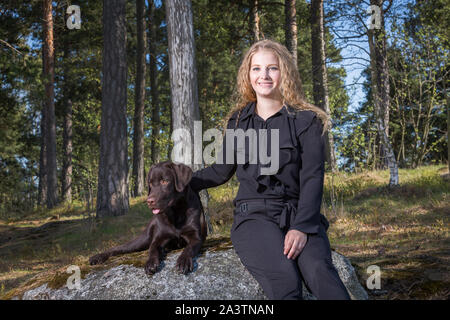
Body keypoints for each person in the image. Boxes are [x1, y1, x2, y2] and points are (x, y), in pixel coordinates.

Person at [189, 39, 350, 300]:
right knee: (285, 280)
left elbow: (312, 177)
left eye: (271, 68)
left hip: (299, 214)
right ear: (248, 74)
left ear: (284, 72)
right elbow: (220, 171)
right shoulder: (238, 121)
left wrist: (301, 227)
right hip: (254, 217)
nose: (263, 75)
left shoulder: (307, 121)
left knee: (320, 271)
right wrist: (181, 181)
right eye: (256, 69)